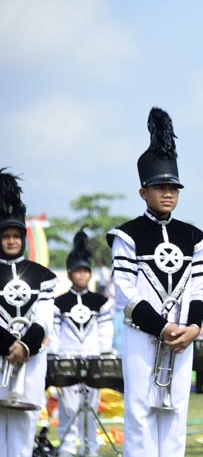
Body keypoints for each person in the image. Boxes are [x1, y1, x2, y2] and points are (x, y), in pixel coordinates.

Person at [107, 107, 203, 457]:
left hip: (183, 336)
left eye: (173, 188)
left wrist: (193, 327)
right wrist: (161, 327)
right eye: (160, 187)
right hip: (143, 333)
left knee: (177, 409)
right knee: (140, 409)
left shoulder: (193, 236)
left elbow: (199, 288)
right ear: (143, 191)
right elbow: (125, 291)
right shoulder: (127, 234)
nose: (168, 193)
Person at [0, 169, 58, 457]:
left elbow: (44, 319)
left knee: (23, 434)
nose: (11, 241)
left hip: (31, 359)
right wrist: (7, 345)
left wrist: (24, 345)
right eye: (5, 236)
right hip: (0, 357)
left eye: (16, 235)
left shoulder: (42, 275)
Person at [51, 229, 114, 457]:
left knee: (90, 408)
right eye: (77, 272)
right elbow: (55, 332)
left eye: (85, 272)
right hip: (67, 360)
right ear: (69, 274)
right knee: (68, 408)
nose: (82, 276)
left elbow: (106, 330)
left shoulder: (101, 302)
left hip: (93, 359)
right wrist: (56, 355)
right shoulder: (59, 303)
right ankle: (67, 448)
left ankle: (90, 448)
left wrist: (103, 352)